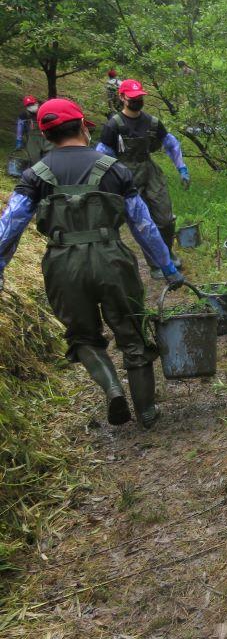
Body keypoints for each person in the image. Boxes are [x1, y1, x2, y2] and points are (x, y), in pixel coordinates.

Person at [0, 98, 184, 429]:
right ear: (83, 127)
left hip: (62, 264)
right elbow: (144, 226)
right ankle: (146, 412)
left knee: (83, 338)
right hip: (111, 258)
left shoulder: (34, 175)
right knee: (133, 335)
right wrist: (167, 266)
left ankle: (113, 389)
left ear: (45, 134)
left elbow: (9, 226)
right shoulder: (115, 169)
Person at [97, 79, 190, 279]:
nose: (138, 100)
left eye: (140, 97)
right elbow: (102, 154)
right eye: (133, 98)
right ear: (122, 98)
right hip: (125, 173)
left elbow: (171, 144)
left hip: (149, 171)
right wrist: (107, 180)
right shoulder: (114, 125)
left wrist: (182, 168)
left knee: (165, 218)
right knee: (141, 222)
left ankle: (167, 252)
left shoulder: (153, 122)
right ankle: (155, 263)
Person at [15, 96, 53, 163]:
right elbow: (19, 128)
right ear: (26, 107)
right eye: (29, 105)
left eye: (32, 104)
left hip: (46, 137)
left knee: (49, 155)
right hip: (32, 138)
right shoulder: (24, 115)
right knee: (34, 157)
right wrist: (19, 140)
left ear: (36, 103)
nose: (31, 106)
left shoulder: (44, 111)